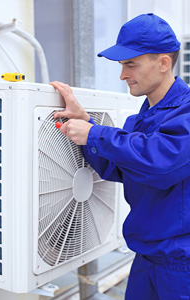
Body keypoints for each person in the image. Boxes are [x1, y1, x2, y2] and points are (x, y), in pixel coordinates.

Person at [50, 13, 190, 300]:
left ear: (163, 63)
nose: (123, 75)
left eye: (130, 64)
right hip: (146, 256)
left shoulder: (186, 112)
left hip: (179, 265)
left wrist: (95, 134)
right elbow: (116, 167)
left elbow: (162, 165)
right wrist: (84, 120)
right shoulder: (144, 117)